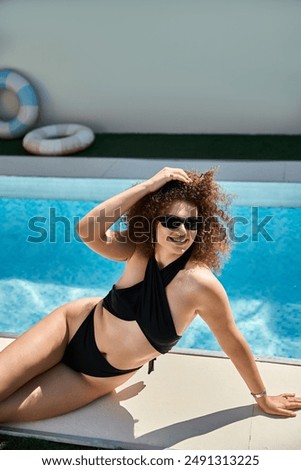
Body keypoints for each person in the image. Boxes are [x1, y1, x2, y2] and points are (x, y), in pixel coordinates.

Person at [0, 167, 300, 423]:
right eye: (171, 221)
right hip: (70, 327)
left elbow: (232, 340)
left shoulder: (201, 285)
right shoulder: (136, 250)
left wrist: (262, 397)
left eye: (192, 223)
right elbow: (87, 229)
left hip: (95, 375)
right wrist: (149, 185)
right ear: (152, 221)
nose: (182, 231)